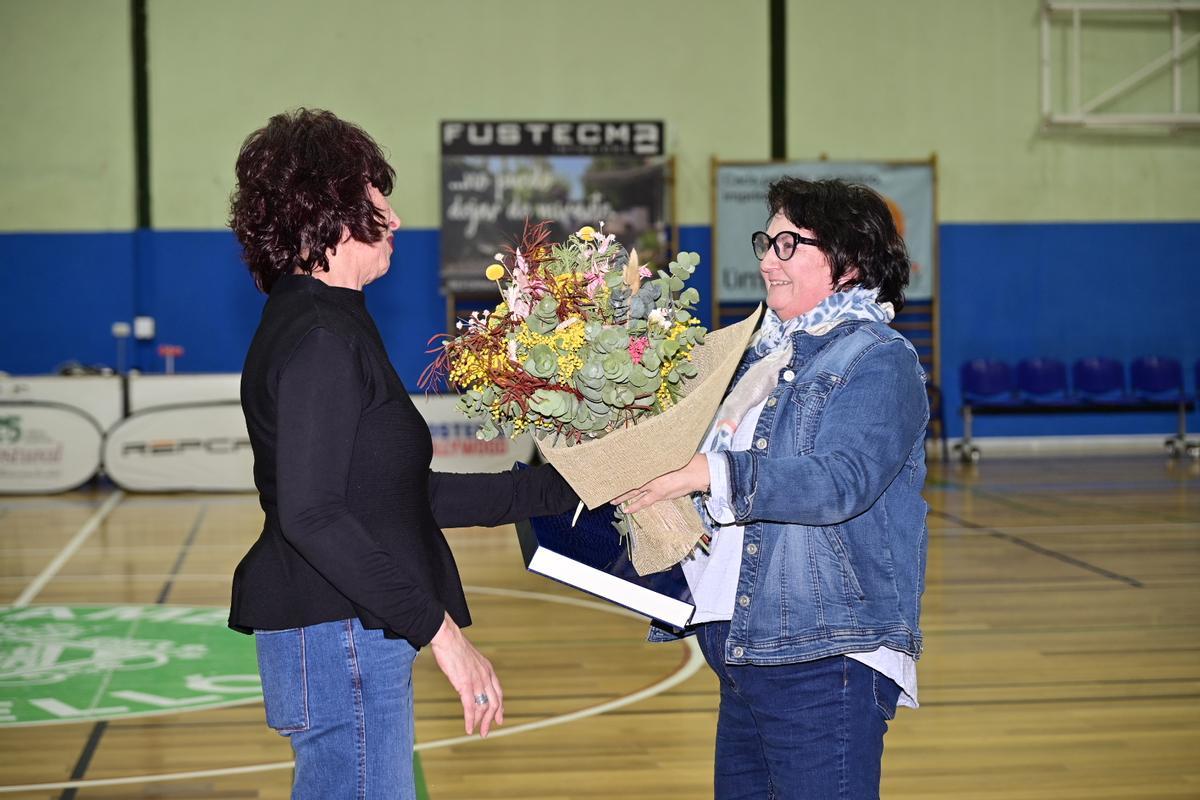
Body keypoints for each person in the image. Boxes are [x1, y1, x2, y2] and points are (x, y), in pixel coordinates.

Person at [227, 108, 577, 800]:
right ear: (330, 210)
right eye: (378, 198)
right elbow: (313, 514)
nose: (394, 218)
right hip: (340, 637)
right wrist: (444, 636)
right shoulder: (322, 336)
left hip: (343, 633)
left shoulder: (326, 322)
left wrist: (567, 487)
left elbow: (398, 496)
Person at [617, 178, 928, 799]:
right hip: (746, 646)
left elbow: (841, 481)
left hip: (822, 653)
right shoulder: (762, 356)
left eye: (788, 244)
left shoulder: (877, 358)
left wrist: (711, 473)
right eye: (767, 241)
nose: (765, 259)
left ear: (851, 261)